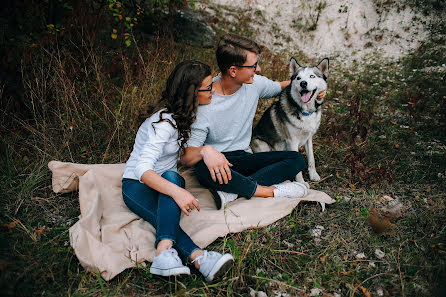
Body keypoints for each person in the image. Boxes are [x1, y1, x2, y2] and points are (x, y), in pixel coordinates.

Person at [180, 34, 326, 209]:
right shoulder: (205, 100)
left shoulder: (254, 84)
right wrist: (206, 151)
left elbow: (286, 85)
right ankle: (267, 190)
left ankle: (233, 191)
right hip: (218, 164)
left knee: (296, 160)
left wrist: (316, 89)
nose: (258, 69)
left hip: (245, 158)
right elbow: (187, 157)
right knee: (202, 170)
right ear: (233, 70)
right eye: (253, 65)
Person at [121, 60, 234, 281]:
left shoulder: (185, 114)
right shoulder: (164, 123)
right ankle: (197, 257)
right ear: (192, 92)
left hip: (165, 182)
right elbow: (142, 168)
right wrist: (177, 192)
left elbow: (183, 155)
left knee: (171, 192)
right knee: (173, 182)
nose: (213, 90)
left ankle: (170, 255)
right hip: (136, 184)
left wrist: (205, 151)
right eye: (208, 87)